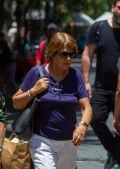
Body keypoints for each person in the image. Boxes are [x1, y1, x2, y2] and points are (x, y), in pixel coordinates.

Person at [12, 32, 92, 169]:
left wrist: (83, 126)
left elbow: (86, 107)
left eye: (72, 54)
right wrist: (33, 91)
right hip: (41, 140)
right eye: (63, 54)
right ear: (52, 54)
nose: (68, 58)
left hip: (69, 142)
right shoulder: (36, 73)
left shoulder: (75, 76)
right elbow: (16, 102)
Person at [81, 0, 120, 167]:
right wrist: (85, 82)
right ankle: (115, 153)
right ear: (113, 8)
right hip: (102, 87)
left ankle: (115, 159)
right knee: (95, 119)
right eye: (119, 7)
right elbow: (87, 55)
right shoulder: (98, 27)